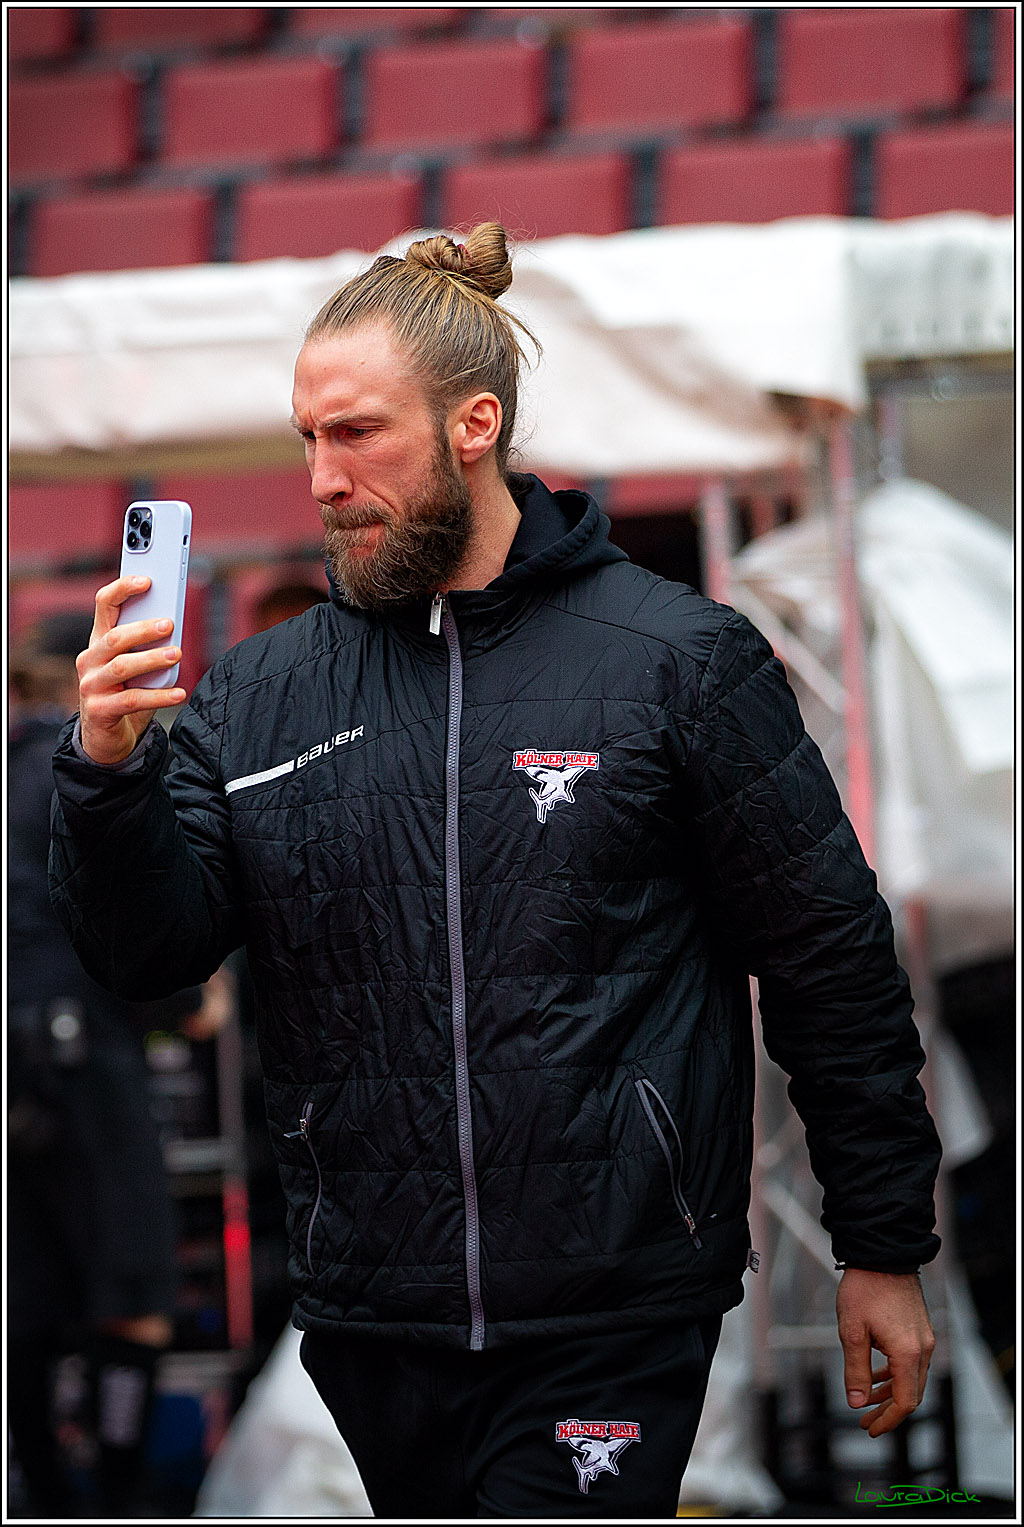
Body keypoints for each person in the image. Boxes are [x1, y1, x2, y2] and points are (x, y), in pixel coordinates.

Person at [49, 223, 941, 1519]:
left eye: (356, 433)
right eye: (306, 437)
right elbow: (147, 953)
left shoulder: (676, 659)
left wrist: (882, 1244)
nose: (321, 476)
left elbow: (832, 961)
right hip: (375, 1317)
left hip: (615, 1306)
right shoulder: (258, 693)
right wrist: (109, 766)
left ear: (475, 424)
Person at [9, 612, 205, 1517]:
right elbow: (131, 903)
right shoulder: (79, 760)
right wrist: (188, 1003)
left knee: (28, 1304)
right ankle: (120, 1497)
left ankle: (46, 1497)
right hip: (87, 1049)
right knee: (132, 1290)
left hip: (18, 1068)